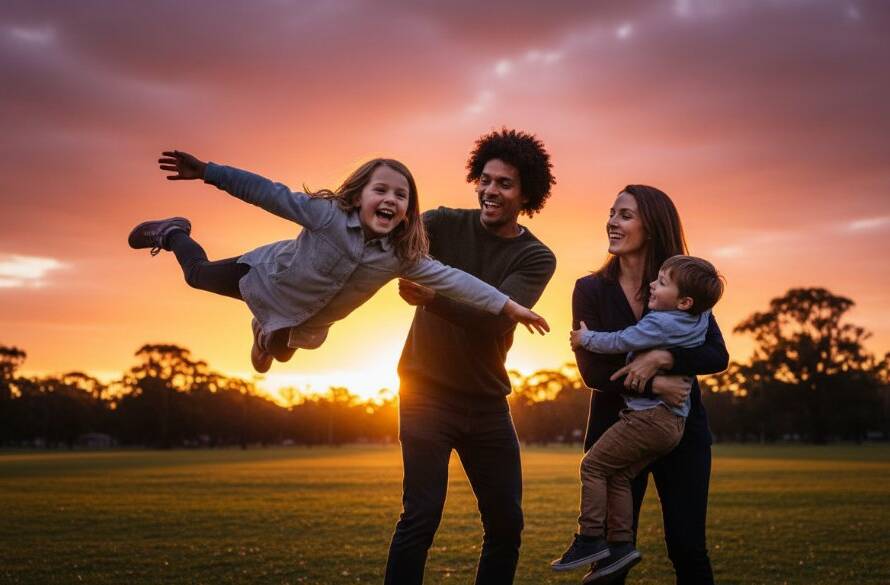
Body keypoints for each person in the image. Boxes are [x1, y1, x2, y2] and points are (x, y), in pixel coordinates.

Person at [128, 151, 549, 373]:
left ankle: (263, 334)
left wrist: (509, 306)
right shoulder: (326, 216)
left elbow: (456, 280)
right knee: (198, 277)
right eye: (381, 190)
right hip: (266, 279)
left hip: (303, 318)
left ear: (408, 210)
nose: (390, 200)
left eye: (400, 196)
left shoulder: (402, 257)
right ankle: (172, 233)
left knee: (284, 352)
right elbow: (268, 193)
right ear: (359, 195)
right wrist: (207, 171)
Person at [385, 128, 557, 585]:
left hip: (486, 403)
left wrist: (431, 299)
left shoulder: (536, 257)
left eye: (504, 183)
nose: (490, 190)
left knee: (506, 526)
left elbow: (494, 321)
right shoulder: (441, 224)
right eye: (485, 179)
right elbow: (381, 241)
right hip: (424, 394)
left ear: (526, 195)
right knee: (420, 518)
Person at [572, 185, 729, 585]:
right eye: (611, 212)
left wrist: (665, 358)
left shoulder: (685, 288)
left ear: (652, 226)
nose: (611, 221)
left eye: (624, 215)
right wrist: (657, 385)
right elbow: (591, 371)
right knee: (610, 558)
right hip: (617, 427)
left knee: (688, 547)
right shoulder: (590, 289)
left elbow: (717, 356)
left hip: (683, 431)